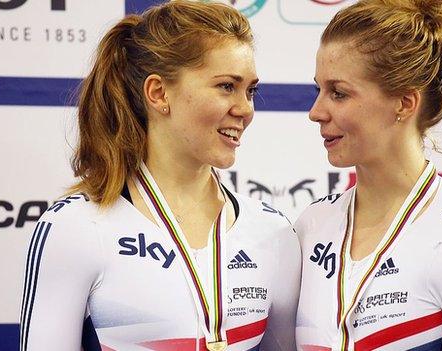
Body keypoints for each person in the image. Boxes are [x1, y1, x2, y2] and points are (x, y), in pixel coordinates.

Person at [19, 1, 301, 350]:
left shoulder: (272, 232)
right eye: (227, 86)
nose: (245, 109)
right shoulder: (76, 227)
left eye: (250, 90)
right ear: (158, 93)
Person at [295, 0, 442, 350]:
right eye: (318, 90)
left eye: (338, 93)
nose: (316, 111)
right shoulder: (311, 225)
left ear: (404, 103)